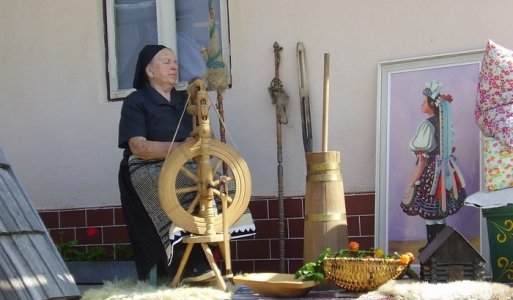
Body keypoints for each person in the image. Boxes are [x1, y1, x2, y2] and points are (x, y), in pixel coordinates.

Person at [118, 45, 257, 284]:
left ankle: (205, 256)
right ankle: (188, 262)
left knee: (223, 188)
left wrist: (201, 106)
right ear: (149, 71)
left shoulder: (184, 99)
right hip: (144, 168)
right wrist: (181, 148)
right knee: (179, 183)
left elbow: (208, 140)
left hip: (184, 166)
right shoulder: (136, 101)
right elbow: (138, 147)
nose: (174, 66)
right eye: (166, 61)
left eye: (174, 61)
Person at [401, 80, 467, 253]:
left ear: (431, 104)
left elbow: (422, 160)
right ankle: (439, 245)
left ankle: (433, 245)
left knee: (433, 211)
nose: (421, 104)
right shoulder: (444, 124)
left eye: (424, 101)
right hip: (445, 170)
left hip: (431, 171)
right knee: (439, 210)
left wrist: (412, 181)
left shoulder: (427, 125)